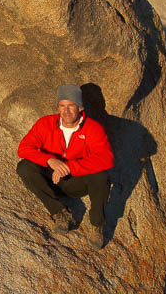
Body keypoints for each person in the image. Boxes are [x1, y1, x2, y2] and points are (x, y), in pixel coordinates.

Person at [16, 84, 113, 249]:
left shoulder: (93, 128)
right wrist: (50, 161)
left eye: (70, 106)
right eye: (62, 106)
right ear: (58, 107)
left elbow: (106, 159)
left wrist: (69, 167)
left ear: (80, 107)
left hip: (77, 182)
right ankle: (60, 212)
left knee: (101, 176)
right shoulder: (45, 123)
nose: (66, 111)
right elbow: (23, 148)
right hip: (53, 181)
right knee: (24, 167)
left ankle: (97, 224)